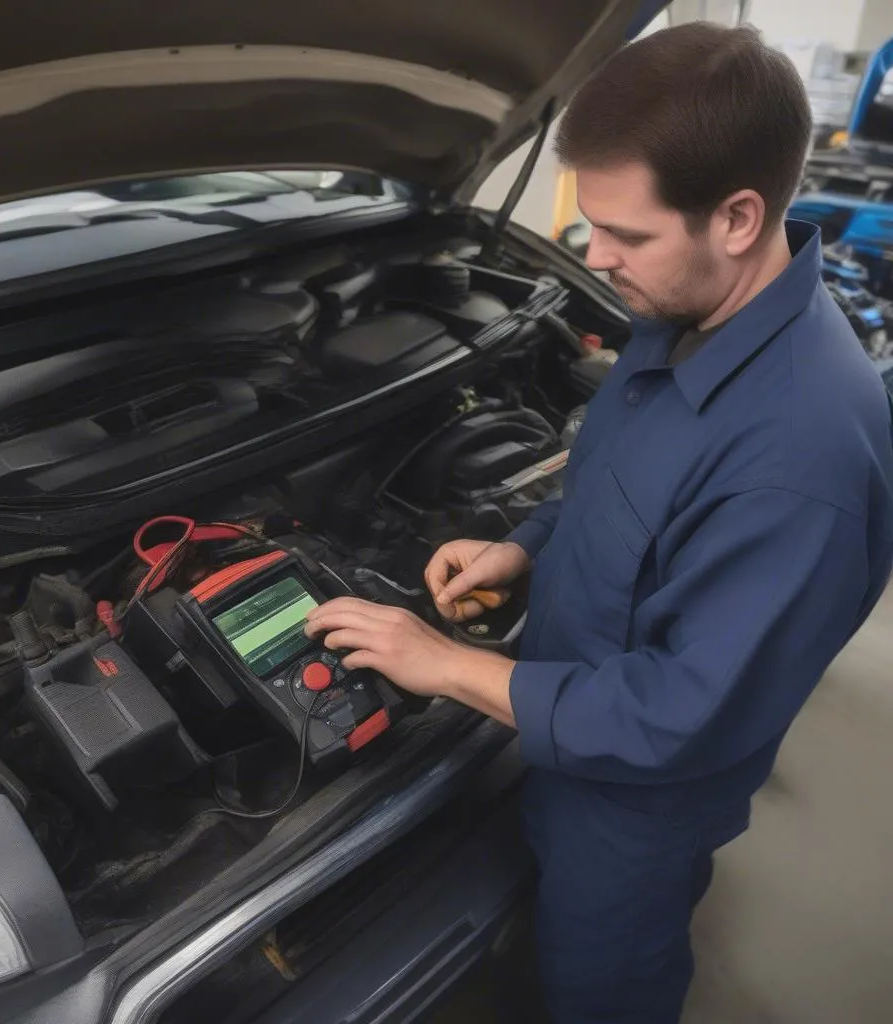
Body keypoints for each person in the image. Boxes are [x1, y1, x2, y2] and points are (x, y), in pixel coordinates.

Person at [304, 21, 893, 1024]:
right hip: (556, 711)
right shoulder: (693, 311)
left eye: (626, 233)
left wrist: (440, 662)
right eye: (592, 220)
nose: (594, 253)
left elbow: (672, 717)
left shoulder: (799, 462)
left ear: (738, 217)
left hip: (630, 812)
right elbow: (617, 480)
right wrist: (522, 548)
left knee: (599, 984)